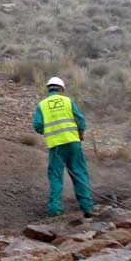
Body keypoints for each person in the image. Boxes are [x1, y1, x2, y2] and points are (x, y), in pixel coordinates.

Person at [33, 77, 93, 217]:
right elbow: (80, 120)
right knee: (79, 173)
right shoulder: (68, 101)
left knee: (55, 176)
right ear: (61, 89)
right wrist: (80, 133)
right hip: (73, 142)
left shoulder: (42, 105)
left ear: (48, 89)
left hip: (56, 146)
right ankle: (87, 207)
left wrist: (48, 131)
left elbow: (38, 126)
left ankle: (55, 210)